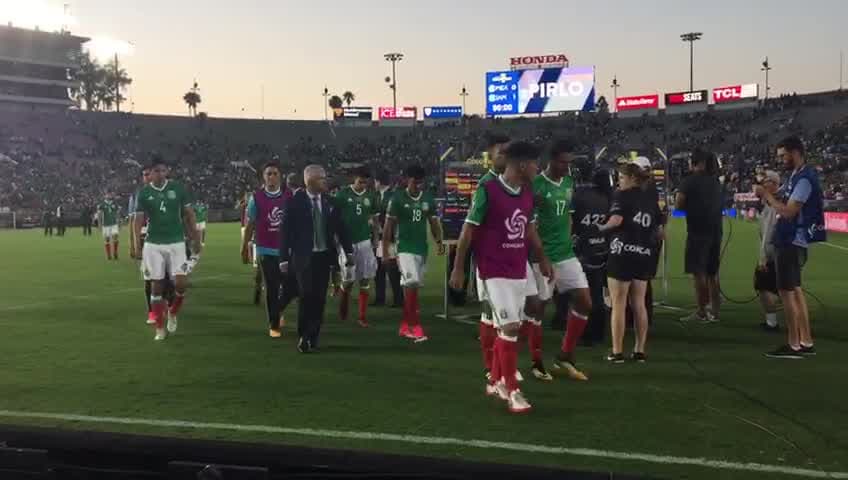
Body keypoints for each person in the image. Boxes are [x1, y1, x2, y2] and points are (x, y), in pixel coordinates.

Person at [449, 141, 552, 414]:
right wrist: (458, 268)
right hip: (493, 270)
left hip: (518, 268)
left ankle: (495, 380)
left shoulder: (527, 192)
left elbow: (528, 229)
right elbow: (468, 232)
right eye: (533, 163)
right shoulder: (487, 190)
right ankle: (513, 391)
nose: (537, 168)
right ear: (521, 165)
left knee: (520, 320)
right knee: (510, 328)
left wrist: (542, 258)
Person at [755, 136, 826, 359]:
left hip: (790, 241)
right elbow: (781, 198)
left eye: (783, 155)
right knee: (795, 292)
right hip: (791, 240)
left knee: (788, 293)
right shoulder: (797, 176)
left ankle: (794, 344)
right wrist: (768, 193)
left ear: (795, 152)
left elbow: (789, 211)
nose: (781, 160)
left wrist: (767, 195)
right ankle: (805, 341)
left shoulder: (804, 179)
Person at [531, 139, 592, 381]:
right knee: (538, 308)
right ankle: (537, 362)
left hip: (566, 254)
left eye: (569, 162)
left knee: (585, 302)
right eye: (563, 162)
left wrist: (569, 239)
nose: (567, 167)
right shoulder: (536, 186)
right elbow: (530, 226)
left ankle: (565, 355)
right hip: (543, 257)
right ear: (551, 161)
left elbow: (566, 215)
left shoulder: (568, 182)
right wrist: (542, 257)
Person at [591, 162, 662, 363]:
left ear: (631, 178)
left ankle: (617, 352)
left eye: (621, 178)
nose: (619, 182)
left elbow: (616, 221)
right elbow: (660, 232)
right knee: (639, 303)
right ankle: (640, 350)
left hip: (622, 254)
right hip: (644, 255)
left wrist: (601, 228)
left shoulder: (621, 196)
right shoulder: (650, 199)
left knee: (619, 304)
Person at [280, 165, 353, 353]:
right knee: (306, 295)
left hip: (324, 257)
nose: (325, 181)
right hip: (303, 257)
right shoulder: (294, 202)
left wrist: (349, 251)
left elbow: (341, 228)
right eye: (322, 178)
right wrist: (283, 258)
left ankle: (313, 336)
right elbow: (285, 232)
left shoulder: (330, 202)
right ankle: (304, 335)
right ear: (310, 180)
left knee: (320, 298)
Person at [132, 155, 201, 341]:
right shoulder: (144, 193)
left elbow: (189, 214)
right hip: (153, 244)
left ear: (167, 171)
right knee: (156, 287)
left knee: (181, 284)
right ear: (151, 173)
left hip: (177, 243)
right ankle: (160, 328)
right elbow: (138, 221)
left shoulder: (177, 189)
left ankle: (172, 312)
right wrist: (136, 245)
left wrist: (195, 238)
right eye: (156, 171)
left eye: (163, 170)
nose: (160, 174)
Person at [383, 165, 445, 343]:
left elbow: (434, 224)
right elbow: (388, 227)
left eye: (420, 182)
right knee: (412, 282)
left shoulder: (428, 199)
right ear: (406, 180)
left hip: (422, 249)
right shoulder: (397, 199)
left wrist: (439, 242)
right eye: (414, 181)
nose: (418, 185)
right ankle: (415, 326)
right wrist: (386, 250)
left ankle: (404, 325)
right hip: (404, 248)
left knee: (412, 287)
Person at [473, 132, 510, 380]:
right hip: (490, 260)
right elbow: (472, 225)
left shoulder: (516, 183)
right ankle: (490, 367)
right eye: (501, 153)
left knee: (508, 316)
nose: (505, 157)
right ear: (491, 157)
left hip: (512, 260)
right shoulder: (485, 185)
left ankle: (502, 364)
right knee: (490, 313)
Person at [675, 149, 724, 323]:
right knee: (712, 272)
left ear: (695, 163)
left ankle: (702, 311)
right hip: (716, 230)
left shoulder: (689, 181)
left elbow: (679, 203)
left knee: (699, 272)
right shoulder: (716, 181)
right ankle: (715, 311)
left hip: (697, 231)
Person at [242, 162, 288, 338]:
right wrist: (244, 247)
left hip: (285, 250)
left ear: (280, 176)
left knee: (288, 286)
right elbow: (250, 225)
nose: (272, 177)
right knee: (272, 286)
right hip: (265, 249)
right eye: (268, 174)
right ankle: (273, 323)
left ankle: (279, 310)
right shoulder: (256, 198)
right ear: (263, 177)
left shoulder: (288, 196)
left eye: (275, 173)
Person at [572, 169, 613, 346]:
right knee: (599, 292)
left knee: (585, 294)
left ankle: (588, 333)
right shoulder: (611, 197)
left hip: (584, 248)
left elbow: (573, 220)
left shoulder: (581, 195)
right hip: (604, 249)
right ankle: (599, 331)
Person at [335, 167, 379, 327]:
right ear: (353, 179)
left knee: (365, 279)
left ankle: (362, 316)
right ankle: (343, 310)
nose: (362, 185)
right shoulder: (342, 195)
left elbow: (374, 220)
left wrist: (375, 238)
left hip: (365, 242)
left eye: (365, 183)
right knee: (348, 280)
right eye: (360, 182)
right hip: (347, 243)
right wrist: (336, 238)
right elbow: (335, 218)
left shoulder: (371, 196)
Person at [755, 170, 781, 332]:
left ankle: (772, 323)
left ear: (774, 184)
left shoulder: (773, 205)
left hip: (773, 254)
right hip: (776, 253)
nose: (762, 185)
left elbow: (769, 234)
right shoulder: (769, 204)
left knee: (765, 287)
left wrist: (763, 257)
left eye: (766, 182)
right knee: (780, 289)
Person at [372, 171, 403, 308]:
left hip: (390, 238)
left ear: (379, 182)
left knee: (392, 269)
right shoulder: (378, 195)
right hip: (379, 238)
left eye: (375, 181)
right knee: (378, 270)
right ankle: (380, 298)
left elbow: (395, 216)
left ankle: (398, 299)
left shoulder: (392, 195)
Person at [99, 194, 121, 260]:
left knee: (115, 236)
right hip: (105, 225)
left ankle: (115, 252)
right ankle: (108, 255)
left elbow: (117, 213)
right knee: (107, 239)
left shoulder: (115, 204)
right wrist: (99, 224)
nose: (108, 196)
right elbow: (99, 214)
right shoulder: (102, 205)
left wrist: (119, 222)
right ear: (105, 196)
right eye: (107, 195)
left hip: (114, 224)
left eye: (110, 194)